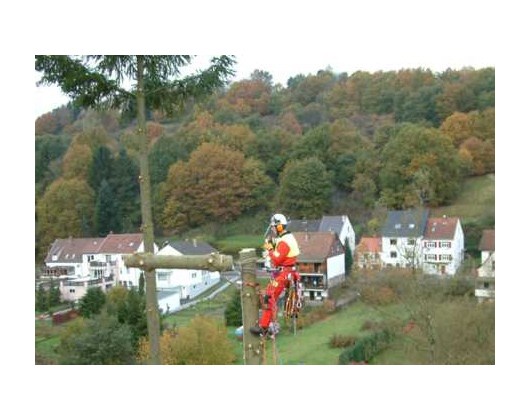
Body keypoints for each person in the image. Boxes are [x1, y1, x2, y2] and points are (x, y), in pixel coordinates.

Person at [250, 213, 300, 336]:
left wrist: (270, 250)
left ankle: (265, 326)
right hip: (285, 271)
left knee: (269, 296)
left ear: (279, 227)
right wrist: (270, 246)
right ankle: (266, 325)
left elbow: (277, 259)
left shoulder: (285, 241)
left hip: (285, 272)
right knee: (269, 295)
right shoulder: (285, 238)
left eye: (274, 227)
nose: (272, 229)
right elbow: (277, 248)